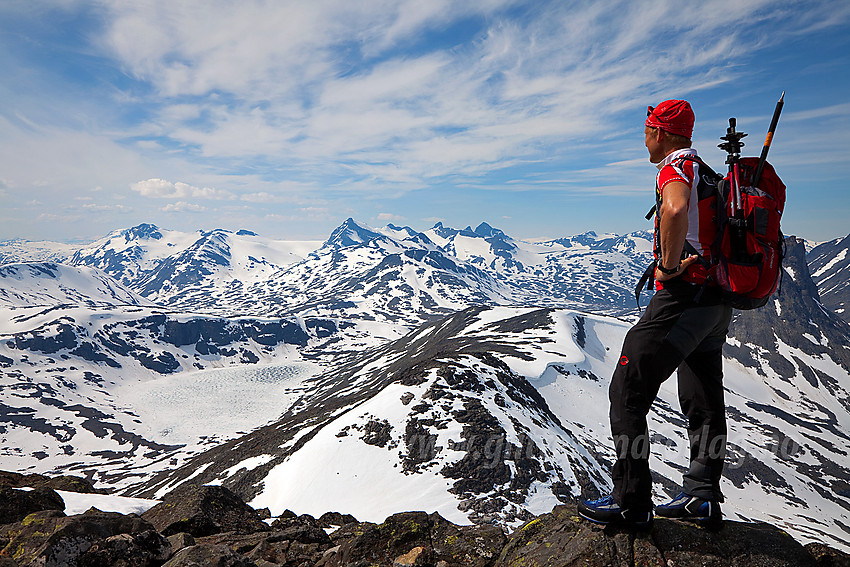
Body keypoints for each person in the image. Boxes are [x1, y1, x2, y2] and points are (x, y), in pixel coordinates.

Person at [577, 99, 732, 528]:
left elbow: (676, 208)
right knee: (703, 395)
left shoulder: (674, 168)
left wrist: (666, 265)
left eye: (646, 129)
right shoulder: (708, 171)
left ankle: (631, 502)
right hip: (716, 301)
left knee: (627, 388)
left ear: (659, 132)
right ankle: (702, 495)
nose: (644, 137)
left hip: (684, 295)